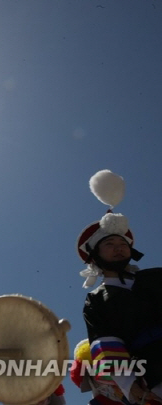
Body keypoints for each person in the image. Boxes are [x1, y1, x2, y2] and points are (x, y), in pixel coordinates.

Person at [76, 170, 162, 405]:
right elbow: (106, 343)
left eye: (122, 243)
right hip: (155, 371)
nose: (118, 248)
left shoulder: (156, 276)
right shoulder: (95, 300)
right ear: (94, 257)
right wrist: (130, 385)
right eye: (109, 244)